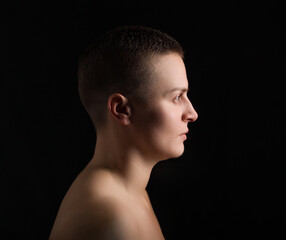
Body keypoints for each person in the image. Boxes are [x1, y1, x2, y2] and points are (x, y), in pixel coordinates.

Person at [49, 26, 198, 240]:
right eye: (177, 97)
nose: (192, 113)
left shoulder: (130, 192)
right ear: (121, 110)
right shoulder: (108, 218)